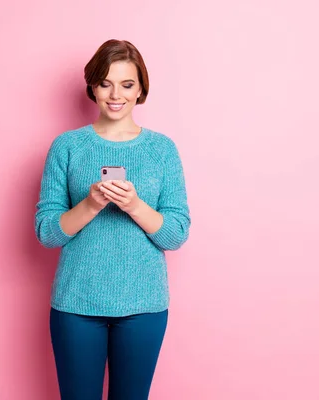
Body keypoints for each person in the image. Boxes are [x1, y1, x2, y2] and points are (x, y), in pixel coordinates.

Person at [34, 39, 191, 400]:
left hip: (144, 307)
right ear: (92, 87)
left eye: (127, 84)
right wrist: (90, 205)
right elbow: (46, 233)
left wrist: (135, 205)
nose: (115, 94)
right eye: (105, 83)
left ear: (141, 90)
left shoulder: (162, 149)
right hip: (76, 305)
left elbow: (176, 233)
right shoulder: (68, 146)